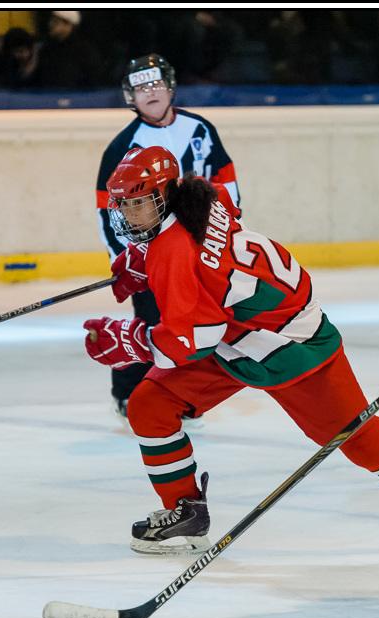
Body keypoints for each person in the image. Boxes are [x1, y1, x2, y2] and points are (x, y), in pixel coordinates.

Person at [82, 145, 379, 558]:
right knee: (150, 403)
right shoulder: (202, 197)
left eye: (138, 204)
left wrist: (130, 340)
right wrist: (146, 261)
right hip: (240, 335)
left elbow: (193, 338)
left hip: (289, 347)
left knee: (358, 439)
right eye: (124, 205)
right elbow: (208, 267)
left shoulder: (173, 249)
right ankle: (185, 511)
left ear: (164, 197)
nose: (129, 215)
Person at [95, 53, 239, 425]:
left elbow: (226, 182)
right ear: (130, 96)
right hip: (151, 253)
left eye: (155, 84)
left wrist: (222, 235)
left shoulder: (201, 129)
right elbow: (106, 208)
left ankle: (184, 393)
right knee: (152, 322)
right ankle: (128, 392)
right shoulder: (123, 146)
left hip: (200, 248)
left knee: (195, 321)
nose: (150, 93)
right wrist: (132, 257)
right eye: (141, 87)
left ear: (171, 86)